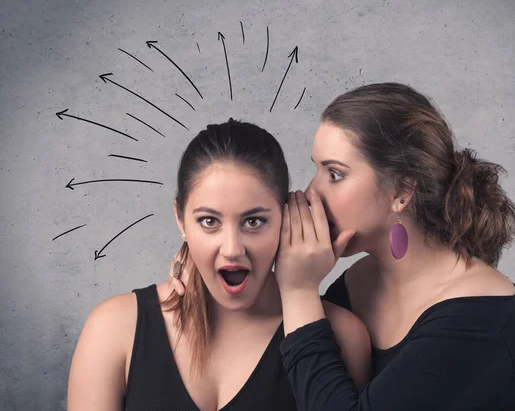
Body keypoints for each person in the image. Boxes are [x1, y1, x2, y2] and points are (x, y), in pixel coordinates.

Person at [172, 83, 515, 410]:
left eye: (335, 174)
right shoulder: (362, 280)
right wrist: (207, 267)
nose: (312, 192)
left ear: (401, 192)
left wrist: (299, 290)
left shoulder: (479, 319)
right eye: (316, 169)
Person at [67, 119, 371, 411]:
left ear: (287, 219)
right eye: (209, 221)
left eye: (254, 221)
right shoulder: (113, 329)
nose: (232, 249)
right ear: (180, 218)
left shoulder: (344, 338)